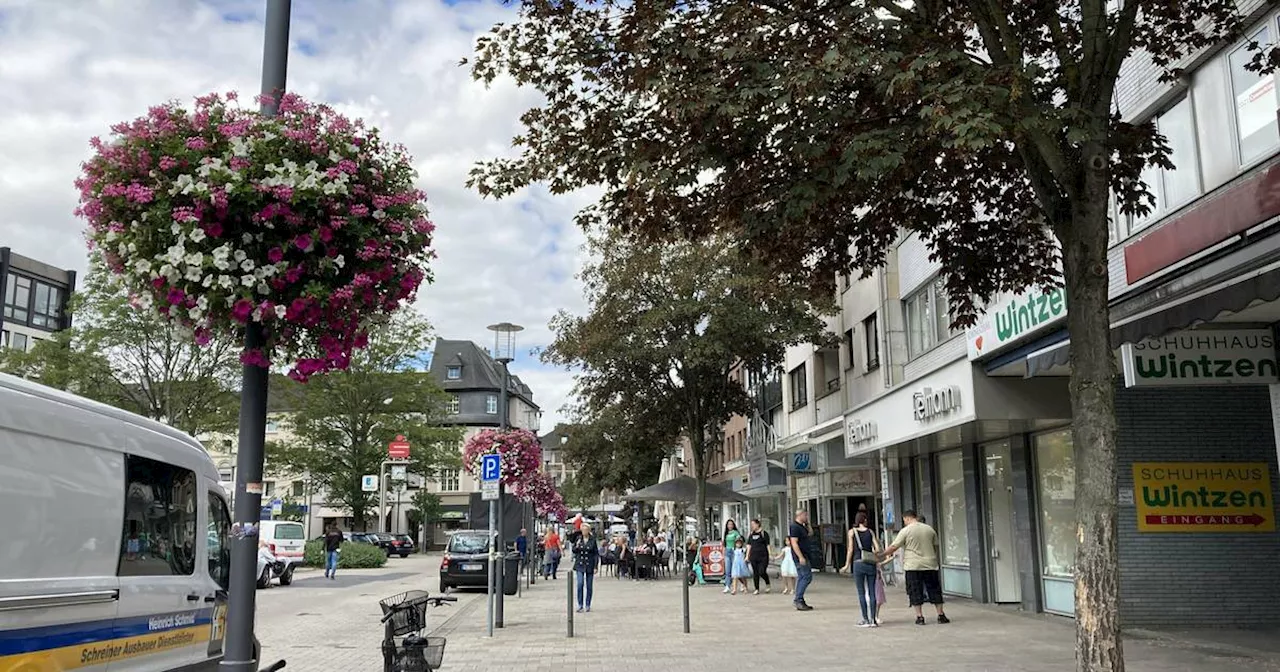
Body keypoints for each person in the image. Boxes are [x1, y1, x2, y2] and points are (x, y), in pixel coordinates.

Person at [881, 510, 949, 626]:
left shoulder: (905, 531)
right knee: (934, 589)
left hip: (913, 565)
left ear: (907, 518)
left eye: (904, 520)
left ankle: (920, 617)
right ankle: (941, 614)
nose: (904, 522)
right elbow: (935, 546)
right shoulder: (929, 529)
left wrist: (881, 555)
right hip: (930, 564)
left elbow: (894, 546)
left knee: (915, 591)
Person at [839, 512, 884, 627]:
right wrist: (872, 552)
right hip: (870, 564)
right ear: (865, 520)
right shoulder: (870, 532)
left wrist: (846, 565)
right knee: (872, 591)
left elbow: (850, 549)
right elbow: (878, 548)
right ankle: (873, 619)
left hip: (858, 563)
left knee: (861, 592)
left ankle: (865, 619)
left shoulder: (851, 532)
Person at [788, 509, 814, 611]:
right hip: (800, 556)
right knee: (807, 577)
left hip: (805, 554)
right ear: (800, 515)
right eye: (806, 516)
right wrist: (800, 557)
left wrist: (808, 524)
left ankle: (800, 599)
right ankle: (798, 599)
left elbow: (810, 533)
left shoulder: (802, 527)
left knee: (803, 577)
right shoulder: (794, 527)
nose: (807, 517)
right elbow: (794, 543)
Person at [573, 523, 600, 613]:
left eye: (586, 530)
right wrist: (576, 545)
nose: (584, 532)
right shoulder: (579, 539)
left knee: (589, 586)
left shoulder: (592, 540)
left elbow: (596, 554)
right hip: (580, 564)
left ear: (588, 531)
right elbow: (574, 550)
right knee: (580, 584)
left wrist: (596, 566)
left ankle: (587, 604)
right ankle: (580, 604)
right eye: (582, 530)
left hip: (589, 564)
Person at [745, 519, 772, 595]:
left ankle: (767, 583)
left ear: (758, 524)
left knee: (762, 571)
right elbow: (749, 546)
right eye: (751, 524)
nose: (752, 526)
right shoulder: (751, 534)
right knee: (755, 572)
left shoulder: (764, 533)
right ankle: (756, 588)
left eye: (753, 524)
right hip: (753, 556)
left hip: (763, 556)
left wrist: (770, 554)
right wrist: (747, 556)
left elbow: (768, 545)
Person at [721, 519, 742, 593]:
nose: (730, 526)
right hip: (727, 552)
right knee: (728, 570)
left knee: (735, 570)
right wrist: (723, 554)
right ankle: (727, 586)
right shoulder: (726, 533)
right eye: (728, 524)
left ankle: (742, 584)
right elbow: (724, 545)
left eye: (731, 524)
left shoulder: (736, 533)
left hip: (734, 552)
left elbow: (739, 541)